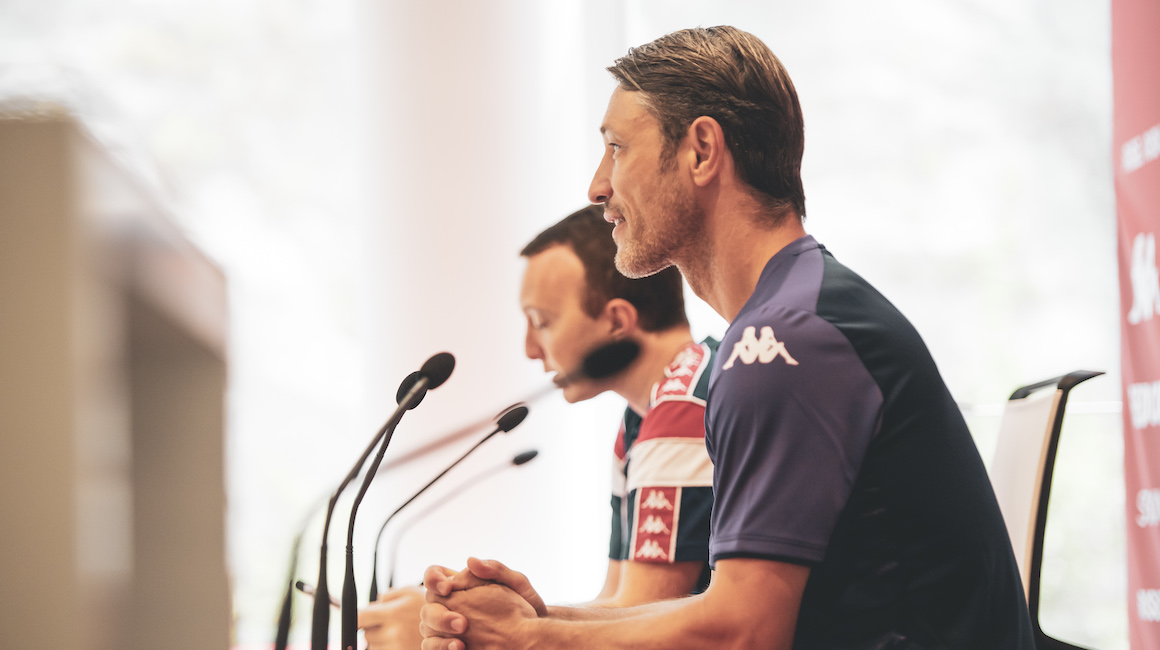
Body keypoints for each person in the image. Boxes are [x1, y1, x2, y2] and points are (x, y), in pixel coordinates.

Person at [417, 25, 1035, 650]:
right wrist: (536, 621)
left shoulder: (781, 345)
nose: (598, 185)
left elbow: (743, 634)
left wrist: (531, 640)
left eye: (617, 148)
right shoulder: (792, 319)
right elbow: (723, 612)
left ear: (702, 151)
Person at [357, 205, 720, 649]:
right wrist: (497, 616)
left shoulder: (683, 407)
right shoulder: (645, 414)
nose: (531, 349)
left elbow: (640, 620)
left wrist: (465, 624)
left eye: (542, 322)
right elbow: (615, 603)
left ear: (617, 321)